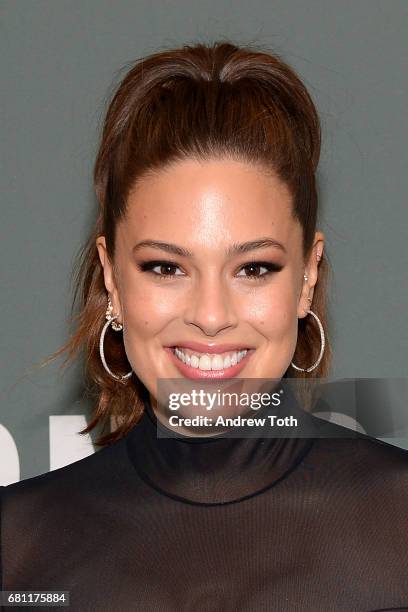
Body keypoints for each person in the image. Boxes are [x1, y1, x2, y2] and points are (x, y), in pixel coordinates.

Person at [1, 40, 408, 611]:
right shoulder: (17, 551)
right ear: (112, 277)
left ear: (307, 278)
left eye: (253, 268)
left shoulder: (399, 529)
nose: (211, 316)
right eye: (166, 267)